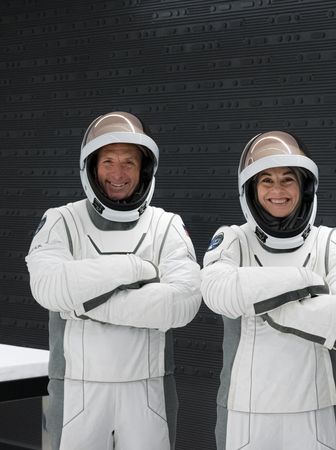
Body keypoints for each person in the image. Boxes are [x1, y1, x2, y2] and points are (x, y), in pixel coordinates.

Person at [26, 111, 202, 450]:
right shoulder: (61, 220)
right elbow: (48, 287)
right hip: (76, 388)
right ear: (91, 167)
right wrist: (138, 269)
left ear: (145, 170)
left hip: (149, 390)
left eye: (129, 163)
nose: (118, 174)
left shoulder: (166, 225)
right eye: (108, 161)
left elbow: (182, 303)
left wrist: (82, 305)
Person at [201, 131, 336, 450]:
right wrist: (305, 282)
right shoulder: (233, 239)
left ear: (304, 187)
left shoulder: (328, 241)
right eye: (266, 181)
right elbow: (217, 292)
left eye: (288, 180)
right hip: (244, 411)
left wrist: (259, 298)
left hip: (315, 411)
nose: (278, 191)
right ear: (251, 190)